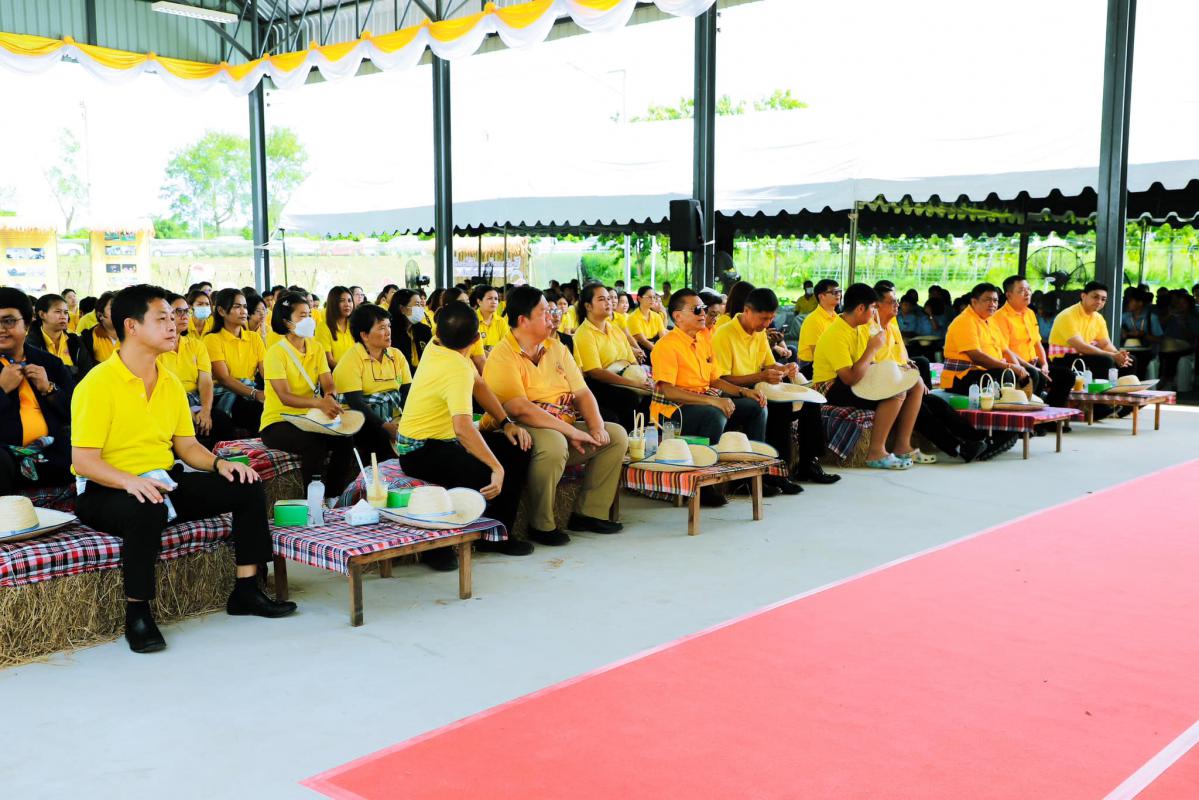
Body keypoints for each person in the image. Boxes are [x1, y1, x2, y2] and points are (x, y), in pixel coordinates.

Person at [72, 284, 293, 654]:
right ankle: (138, 614)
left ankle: (246, 589)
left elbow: (187, 447)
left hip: (162, 482)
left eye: (173, 317)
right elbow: (84, 461)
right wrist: (130, 482)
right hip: (105, 489)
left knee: (246, 484)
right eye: (162, 318)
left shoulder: (170, 382)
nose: (173, 324)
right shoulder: (97, 383)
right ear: (131, 326)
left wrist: (220, 464)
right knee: (146, 506)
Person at [482, 286, 627, 546]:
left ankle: (589, 512)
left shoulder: (556, 347)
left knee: (615, 435)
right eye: (544, 312)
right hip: (517, 430)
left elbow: (582, 393)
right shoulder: (502, 355)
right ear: (523, 320)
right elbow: (519, 408)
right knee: (554, 442)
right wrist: (571, 432)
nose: (552, 317)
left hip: (561, 425)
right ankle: (542, 524)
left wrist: (595, 427)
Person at [396, 302, 534, 568]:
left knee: (516, 447)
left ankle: (496, 534)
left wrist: (506, 423)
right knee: (482, 470)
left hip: (445, 440)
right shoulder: (455, 367)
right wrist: (496, 467)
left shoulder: (438, 344)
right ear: (475, 339)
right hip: (419, 450)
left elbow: (479, 385)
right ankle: (437, 547)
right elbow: (463, 427)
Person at [651, 289, 768, 506]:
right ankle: (704, 485)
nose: (703, 313)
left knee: (756, 406)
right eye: (697, 309)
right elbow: (668, 391)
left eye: (703, 308)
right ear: (678, 316)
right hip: (673, 413)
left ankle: (747, 477)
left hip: (700, 403)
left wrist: (743, 391)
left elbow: (714, 380)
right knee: (714, 413)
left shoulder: (703, 339)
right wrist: (714, 400)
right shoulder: (666, 345)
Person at [710, 287, 833, 491]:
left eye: (771, 319)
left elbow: (768, 364)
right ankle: (775, 473)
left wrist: (785, 368)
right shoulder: (724, 334)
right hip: (733, 390)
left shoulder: (758, 333)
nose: (767, 324)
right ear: (747, 311)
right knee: (779, 407)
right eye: (763, 318)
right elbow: (721, 379)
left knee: (810, 401)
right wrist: (760, 376)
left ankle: (808, 464)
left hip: (758, 386)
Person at [872, 283, 988, 463]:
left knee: (935, 402)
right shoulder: (869, 328)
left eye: (898, 300)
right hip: (884, 384)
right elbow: (877, 364)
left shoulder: (892, 326)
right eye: (893, 301)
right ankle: (957, 447)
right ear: (876, 305)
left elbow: (902, 356)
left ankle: (977, 438)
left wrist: (910, 369)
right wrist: (908, 374)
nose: (898, 305)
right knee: (922, 409)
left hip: (899, 380)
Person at [811, 283, 921, 470]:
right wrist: (872, 349)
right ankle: (876, 452)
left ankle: (902, 445)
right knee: (896, 392)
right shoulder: (836, 334)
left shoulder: (857, 326)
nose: (874, 313)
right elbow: (849, 378)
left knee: (915, 384)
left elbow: (865, 366)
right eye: (873, 308)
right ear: (861, 308)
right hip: (830, 387)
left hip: (853, 378)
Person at [259, 292, 356, 500]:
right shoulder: (276, 353)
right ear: (287, 322)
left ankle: (333, 497)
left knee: (345, 439)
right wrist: (320, 403)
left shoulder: (316, 347)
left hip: (310, 418)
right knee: (314, 443)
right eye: (302, 316)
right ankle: (312, 501)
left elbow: (328, 381)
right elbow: (284, 396)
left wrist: (330, 396)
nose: (309, 320)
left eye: (309, 314)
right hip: (278, 422)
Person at [0, 288, 74, 495]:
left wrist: (49, 389)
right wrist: (2, 390)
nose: (1, 329)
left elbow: (76, 411)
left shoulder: (50, 364)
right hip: (5, 457)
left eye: (8, 321)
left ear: (27, 323)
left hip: (50, 451)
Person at [333, 303, 412, 465]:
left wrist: (407, 421)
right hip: (360, 419)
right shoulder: (351, 360)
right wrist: (385, 426)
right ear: (364, 335)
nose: (388, 332)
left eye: (389, 326)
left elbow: (407, 393)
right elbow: (356, 404)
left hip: (394, 417)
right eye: (382, 327)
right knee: (380, 437)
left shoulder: (396, 356)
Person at [572, 282, 651, 431]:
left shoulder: (615, 329)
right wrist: (632, 384)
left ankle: (641, 436)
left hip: (624, 377)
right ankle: (627, 439)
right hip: (598, 384)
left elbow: (632, 360)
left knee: (650, 394)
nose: (608, 302)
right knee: (629, 397)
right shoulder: (584, 334)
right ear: (588, 306)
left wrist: (642, 379)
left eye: (609, 298)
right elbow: (595, 372)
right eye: (602, 299)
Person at [1046, 281, 1134, 410]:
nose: (1099, 302)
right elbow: (1081, 346)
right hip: (1063, 360)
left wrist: (1119, 355)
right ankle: (1100, 408)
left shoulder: (1098, 318)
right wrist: (1112, 355)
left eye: (1103, 299)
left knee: (1130, 361)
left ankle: (1125, 406)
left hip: (1083, 356)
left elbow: (1105, 343)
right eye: (1095, 297)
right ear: (1083, 296)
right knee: (1105, 361)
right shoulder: (1068, 315)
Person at [159, 292, 231, 449]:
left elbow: (205, 381)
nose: (184, 316)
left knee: (221, 420)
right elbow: (160, 386)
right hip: (168, 402)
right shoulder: (156, 347)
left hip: (194, 400)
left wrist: (206, 410)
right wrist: (184, 409)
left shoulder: (196, 345)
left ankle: (219, 461)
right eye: (179, 311)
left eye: (187, 311)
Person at [940, 283, 1034, 396]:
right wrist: (1010, 367)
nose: (992, 304)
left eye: (995, 300)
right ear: (974, 302)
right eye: (988, 300)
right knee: (1006, 374)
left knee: (1032, 373)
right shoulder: (965, 321)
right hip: (962, 376)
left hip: (986, 371)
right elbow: (977, 357)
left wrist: (1020, 369)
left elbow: (1005, 350)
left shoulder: (991, 320)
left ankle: (1023, 403)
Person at [205, 288, 266, 434]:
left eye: (245, 307)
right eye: (237, 307)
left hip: (250, 391)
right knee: (256, 412)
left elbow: (266, 373)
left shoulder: (254, 338)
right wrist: (255, 394)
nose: (243, 311)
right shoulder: (212, 339)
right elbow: (224, 379)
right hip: (225, 393)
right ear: (221, 311)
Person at [993, 276, 1050, 396]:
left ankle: (1047, 404)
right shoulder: (1000, 317)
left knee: (1066, 376)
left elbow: (1037, 343)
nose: (1027, 293)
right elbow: (1005, 351)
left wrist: (1044, 364)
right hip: (1015, 365)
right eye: (1021, 290)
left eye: (1028, 289)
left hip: (1034, 364)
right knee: (1034, 374)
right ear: (1009, 295)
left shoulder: (1030, 313)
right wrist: (1027, 366)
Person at [30, 293, 93, 378]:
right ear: (42, 314)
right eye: (58, 312)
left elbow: (87, 371)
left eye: (66, 312)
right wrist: (72, 370)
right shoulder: (31, 344)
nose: (63, 317)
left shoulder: (75, 341)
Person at [796, 279, 841, 375]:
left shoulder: (836, 317)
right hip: (810, 366)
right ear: (821, 296)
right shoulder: (813, 320)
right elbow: (818, 355)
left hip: (830, 360)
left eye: (839, 291)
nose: (838, 294)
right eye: (834, 292)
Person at [388, 288, 432, 370]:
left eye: (421, 304)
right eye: (417, 304)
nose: (421, 308)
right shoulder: (390, 333)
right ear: (402, 309)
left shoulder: (424, 330)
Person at [315, 286, 355, 371]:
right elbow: (329, 360)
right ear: (333, 303)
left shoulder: (354, 325)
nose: (347, 304)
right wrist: (349, 371)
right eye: (342, 301)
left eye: (349, 300)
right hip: (335, 374)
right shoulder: (323, 327)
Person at [80, 291, 121, 364]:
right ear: (100, 315)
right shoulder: (89, 338)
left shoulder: (133, 335)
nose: (119, 311)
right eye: (113, 308)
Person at [626, 286, 666, 352]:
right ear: (639, 299)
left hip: (656, 346)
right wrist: (659, 352)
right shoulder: (632, 317)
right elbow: (643, 341)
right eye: (649, 297)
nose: (652, 299)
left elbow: (663, 337)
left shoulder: (657, 316)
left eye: (654, 297)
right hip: (642, 349)